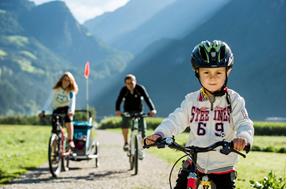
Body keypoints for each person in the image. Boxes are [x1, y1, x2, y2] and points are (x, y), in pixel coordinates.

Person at [144, 40, 254, 189]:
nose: (212, 77)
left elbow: (244, 122)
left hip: (223, 167)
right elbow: (176, 120)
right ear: (197, 72)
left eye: (218, 72)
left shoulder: (234, 100)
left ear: (228, 71)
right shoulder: (192, 100)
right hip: (194, 163)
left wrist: (243, 138)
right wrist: (160, 134)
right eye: (206, 72)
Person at [115, 74, 157, 155]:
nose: (130, 85)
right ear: (125, 84)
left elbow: (147, 98)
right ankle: (126, 143)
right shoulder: (123, 90)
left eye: (131, 82)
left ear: (135, 81)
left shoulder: (140, 88)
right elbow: (119, 100)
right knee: (125, 124)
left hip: (139, 111)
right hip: (127, 111)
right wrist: (117, 110)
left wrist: (152, 109)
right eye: (128, 83)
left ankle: (141, 148)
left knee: (143, 129)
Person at [40, 71, 78, 148]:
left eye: (68, 80)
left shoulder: (71, 91)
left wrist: (72, 111)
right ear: (61, 80)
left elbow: (72, 102)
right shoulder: (56, 89)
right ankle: (54, 152)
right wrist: (43, 111)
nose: (66, 82)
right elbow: (49, 100)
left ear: (71, 82)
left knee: (69, 120)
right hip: (56, 109)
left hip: (66, 109)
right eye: (64, 79)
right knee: (54, 131)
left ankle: (70, 140)